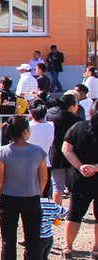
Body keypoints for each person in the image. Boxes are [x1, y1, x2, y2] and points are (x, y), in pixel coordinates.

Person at [0, 115, 48, 260]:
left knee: (8, 242)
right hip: (32, 198)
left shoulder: (3, 152)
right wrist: (39, 192)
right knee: (33, 241)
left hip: (9, 199)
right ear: (25, 131)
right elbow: (43, 177)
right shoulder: (38, 151)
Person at [60, 101, 98, 258]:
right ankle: (96, 249)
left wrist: (81, 166)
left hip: (80, 178)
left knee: (74, 213)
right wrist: (95, 167)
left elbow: (66, 149)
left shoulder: (78, 127)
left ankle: (68, 246)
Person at [47, 93, 80, 207]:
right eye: (76, 104)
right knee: (74, 186)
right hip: (72, 156)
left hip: (56, 153)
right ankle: (72, 210)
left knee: (57, 185)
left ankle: (57, 211)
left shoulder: (52, 117)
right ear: (71, 106)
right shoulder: (77, 121)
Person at [39, 195, 69, 259]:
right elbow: (66, 212)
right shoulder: (53, 205)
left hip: (37, 238)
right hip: (49, 237)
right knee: (44, 256)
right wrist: (57, 220)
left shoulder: (35, 205)